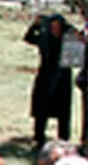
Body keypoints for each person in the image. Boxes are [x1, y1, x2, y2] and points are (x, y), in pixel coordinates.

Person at [25, 13, 76, 148]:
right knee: (41, 108)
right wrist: (35, 25)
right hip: (45, 75)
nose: (55, 30)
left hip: (63, 78)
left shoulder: (68, 40)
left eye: (58, 27)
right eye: (52, 27)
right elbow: (28, 37)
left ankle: (63, 139)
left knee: (63, 111)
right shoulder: (44, 38)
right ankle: (38, 137)